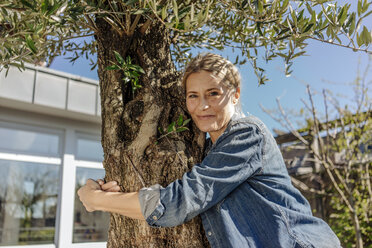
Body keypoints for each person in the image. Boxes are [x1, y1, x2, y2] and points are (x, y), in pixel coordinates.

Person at [78, 53, 341, 247]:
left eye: (213, 93)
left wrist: (97, 200)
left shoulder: (247, 133)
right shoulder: (205, 154)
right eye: (193, 95)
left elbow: (181, 200)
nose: (202, 105)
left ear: (235, 95)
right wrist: (121, 196)